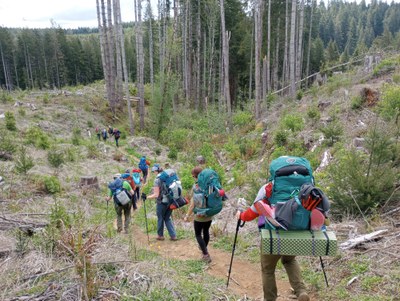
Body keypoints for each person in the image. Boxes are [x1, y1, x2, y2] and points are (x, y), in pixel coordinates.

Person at [236, 186, 310, 301]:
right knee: (289, 260)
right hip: (296, 233)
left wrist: (241, 216)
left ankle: (270, 299)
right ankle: (301, 291)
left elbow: (253, 212)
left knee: (268, 269)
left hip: (273, 235)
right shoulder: (305, 186)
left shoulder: (269, 187)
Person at [184, 166, 212, 263]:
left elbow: (192, 204)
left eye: (193, 176)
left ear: (196, 176)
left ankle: (205, 254)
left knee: (198, 234)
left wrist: (187, 215)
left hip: (199, 216)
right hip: (209, 214)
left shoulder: (196, 186)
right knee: (206, 232)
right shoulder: (210, 185)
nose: (193, 178)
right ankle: (204, 248)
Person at [144, 164, 177, 241]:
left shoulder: (157, 180)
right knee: (167, 218)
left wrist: (147, 197)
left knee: (160, 218)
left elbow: (156, 194)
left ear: (156, 171)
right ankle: (173, 236)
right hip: (171, 201)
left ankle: (160, 235)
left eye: (153, 171)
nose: (153, 173)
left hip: (161, 202)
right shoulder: (169, 178)